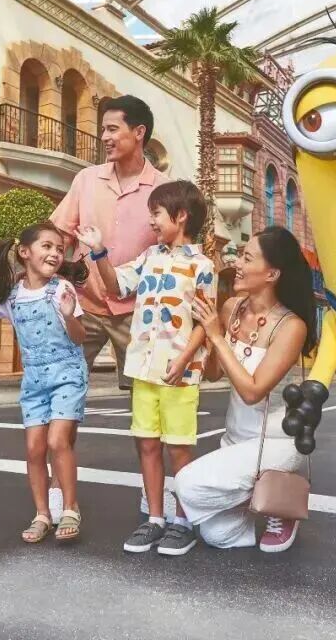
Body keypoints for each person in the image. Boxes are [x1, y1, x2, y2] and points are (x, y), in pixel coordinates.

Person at [48, 94, 172, 523]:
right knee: (63, 400)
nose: (104, 137)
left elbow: (173, 248)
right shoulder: (86, 180)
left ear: (139, 133)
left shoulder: (163, 189)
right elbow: (59, 233)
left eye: (112, 129)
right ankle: (59, 493)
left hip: (139, 314)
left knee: (147, 411)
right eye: (102, 129)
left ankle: (152, 495)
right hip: (83, 306)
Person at [75, 180, 216, 556]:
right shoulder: (149, 257)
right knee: (148, 444)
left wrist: (183, 360)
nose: (151, 220)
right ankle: (155, 518)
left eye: (156, 213)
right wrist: (98, 251)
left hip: (179, 373)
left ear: (181, 215)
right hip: (142, 369)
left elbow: (206, 323)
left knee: (180, 449)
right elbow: (116, 287)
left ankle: (183, 522)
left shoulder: (203, 267)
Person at [175, 227, 317, 552]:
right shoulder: (231, 309)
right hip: (235, 439)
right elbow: (214, 374)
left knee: (186, 483)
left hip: (276, 442)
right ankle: (255, 495)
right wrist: (207, 334)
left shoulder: (291, 326)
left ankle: (281, 500)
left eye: (247, 258)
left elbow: (253, 392)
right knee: (217, 535)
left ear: (272, 274)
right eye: (240, 255)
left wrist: (216, 336)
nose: (236, 263)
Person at [0, 222, 89, 543]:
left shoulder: (62, 289)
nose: (55, 253)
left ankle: (70, 508)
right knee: (34, 449)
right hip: (34, 380)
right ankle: (42, 514)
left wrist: (69, 315)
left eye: (59, 249)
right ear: (24, 252)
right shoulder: (11, 295)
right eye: (47, 246)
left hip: (67, 375)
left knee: (57, 441)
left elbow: (80, 337)